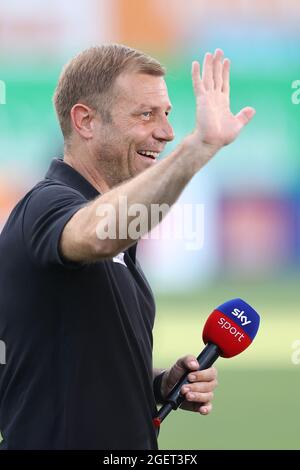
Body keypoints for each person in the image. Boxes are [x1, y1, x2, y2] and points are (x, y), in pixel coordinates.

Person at [0, 44, 255, 450]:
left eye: (167, 114)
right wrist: (198, 147)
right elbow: (100, 232)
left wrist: (157, 384)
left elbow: (73, 365)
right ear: (85, 121)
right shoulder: (47, 205)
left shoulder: (116, 234)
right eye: (146, 114)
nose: (167, 132)